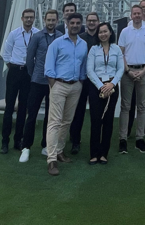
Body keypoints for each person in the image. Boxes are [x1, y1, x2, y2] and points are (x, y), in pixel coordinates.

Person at [44, 13, 88, 176]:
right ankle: (51, 159)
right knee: (54, 122)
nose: (75, 25)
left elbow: (83, 65)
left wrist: (81, 82)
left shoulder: (83, 44)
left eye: (78, 23)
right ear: (67, 24)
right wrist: (53, 85)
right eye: (72, 23)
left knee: (66, 121)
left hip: (75, 86)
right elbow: (49, 67)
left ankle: (60, 151)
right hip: (59, 85)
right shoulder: (57, 43)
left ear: (81, 24)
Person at [19, 9, 63, 163]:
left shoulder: (61, 37)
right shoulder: (37, 37)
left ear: (57, 21)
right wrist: (34, 74)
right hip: (38, 81)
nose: (51, 22)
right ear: (45, 20)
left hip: (55, 83)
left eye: (53, 20)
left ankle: (46, 145)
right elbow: (29, 59)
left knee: (51, 117)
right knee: (32, 115)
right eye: (48, 20)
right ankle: (26, 147)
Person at [118, 5, 145, 154]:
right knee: (125, 107)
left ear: (142, 14)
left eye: (139, 13)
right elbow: (120, 52)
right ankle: (123, 139)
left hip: (143, 72)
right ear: (131, 15)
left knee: (142, 107)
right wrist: (127, 70)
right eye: (135, 13)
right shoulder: (125, 31)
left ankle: (140, 138)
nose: (137, 15)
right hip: (128, 72)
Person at [0, 8, 39, 154]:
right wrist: (14, 66)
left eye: (31, 17)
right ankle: (5, 141)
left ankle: (18, 140)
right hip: (15, 71)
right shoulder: (14, 34)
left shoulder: (37, 34)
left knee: (23, 108)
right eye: (26, 17)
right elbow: (6, 53)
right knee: (9, 107)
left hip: (29, 73)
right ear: (22, 18)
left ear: (34, 19)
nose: (29, 20)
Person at [86, 22, 124, 165]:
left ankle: (104, 153)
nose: (103, 34)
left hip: (112, 86)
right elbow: (90, 70)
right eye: (100, 32)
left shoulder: (116, 49)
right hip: (97, 86)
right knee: (96, 120)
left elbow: (120, 69)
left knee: (108, 121)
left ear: (110, 33)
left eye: (105, 31)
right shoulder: (93, 50)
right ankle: (94, 153)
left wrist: (112, 84)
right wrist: (101, 86)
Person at [69, 12, 100, 155]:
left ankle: (96, 142)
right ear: (86, 23)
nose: (92, 23)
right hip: (81, 80)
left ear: (98, 22)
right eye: (89, 21)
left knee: (96, 112)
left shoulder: (102, 38)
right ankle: (75, 141)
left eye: (94, 20)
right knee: (78, 112)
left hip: (97, 81)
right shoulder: (80, 38)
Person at [127, 0, 145, 137]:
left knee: (144, 100)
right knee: (130, 100)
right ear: (133, 14)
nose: (144, 10)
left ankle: (143, 127)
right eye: (141, 7)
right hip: (130, 68)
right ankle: (128, 128)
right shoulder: (129, 25)